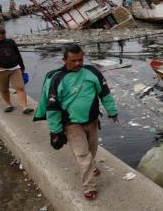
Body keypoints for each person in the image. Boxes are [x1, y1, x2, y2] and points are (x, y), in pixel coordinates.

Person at [34, 44, 118, 200]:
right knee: (82, 155)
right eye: (73, 61)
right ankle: (89, 187)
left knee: (92, 150)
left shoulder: (92, 72)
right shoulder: (58, 79)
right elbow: (53, 107)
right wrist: (55, 131)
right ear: (64, 60)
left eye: (80, 59)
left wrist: (112, 111)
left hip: (92, 121)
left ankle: (91, 167)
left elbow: (105, 93)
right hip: (72, 125)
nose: (78, 63)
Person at [0, 25, 34, 114]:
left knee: (20, 87)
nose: (2, 35)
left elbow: (18, 54)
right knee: (3, 89)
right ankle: (9, 104)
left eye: (3, 33)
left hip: (14, 68)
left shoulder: (10, 42)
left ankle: (25, 107)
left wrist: (22, 67)